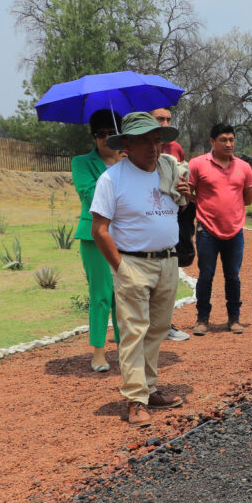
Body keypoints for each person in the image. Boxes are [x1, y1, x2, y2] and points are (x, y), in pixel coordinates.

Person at [90, 112, 189, 427]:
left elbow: (177, 208)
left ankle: (150, 389)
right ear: (127, 144)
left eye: (157, 139)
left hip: (168, 262)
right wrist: (120, 268)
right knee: (134, 332)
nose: (154, 146)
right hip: (133, 263)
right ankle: (135, 399)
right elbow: (99, 230)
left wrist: (187, 197)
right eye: (145, 140)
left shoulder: (167, 171)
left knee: (158, 330)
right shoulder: (112, 179)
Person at [188, 122, 252, 335]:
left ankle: (234, 319)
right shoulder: (197, 164)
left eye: (231, 140)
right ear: (212, 141)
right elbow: (189, 193)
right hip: (206, 230)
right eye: (223, 140)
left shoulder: (244, 167)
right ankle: (202, 319)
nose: (228, 144)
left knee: (233, 276)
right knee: (205, 275)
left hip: (235, 231)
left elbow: (248, 199)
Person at [71, 109, 123, 372]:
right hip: (95, 236)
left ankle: (126, 347)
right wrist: (115, 171)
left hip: (126, 236)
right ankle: (99, 352)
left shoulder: (130, 162)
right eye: (100, 134)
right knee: (101, 294)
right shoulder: (82, 163)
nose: (105, 138)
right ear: (94, 137)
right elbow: (90, 195)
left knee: (125, 294)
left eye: (111, 133)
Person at [151, 108, 192, 341]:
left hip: (169, 217)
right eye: (160, 119)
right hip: (143, 223)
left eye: (168, 119)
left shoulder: (174, 149)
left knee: (167, 279)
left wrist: (185, 194)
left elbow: (182, 192)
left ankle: (166, 325)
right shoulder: (131, 152)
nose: (165, 123)